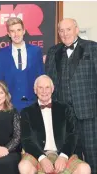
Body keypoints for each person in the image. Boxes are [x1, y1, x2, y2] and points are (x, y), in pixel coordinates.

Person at [45, 18, 97, 174]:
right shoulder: (53, 51)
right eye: (61, 30)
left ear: (76, 29)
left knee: (92, 155)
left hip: (88, 113)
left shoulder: (92, 48)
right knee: (69, 158)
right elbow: (49, 82)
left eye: (68, 29)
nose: (65, 33)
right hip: (64, 115)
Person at [19, 75, 91, 174]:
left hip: (62, 153)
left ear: (52, 89)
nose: (44, 91)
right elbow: (26, 139)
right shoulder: (26, 112)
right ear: (35, 90)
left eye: (47, 87)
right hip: (37, 154)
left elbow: (72, 135)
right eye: (40, 88)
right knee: (24, 166)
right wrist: (42, 158)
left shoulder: (65, 109)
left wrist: (63, 156)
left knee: (85, 168)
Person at [0, 17, 44, 112]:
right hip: (10, 106)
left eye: (18, 30)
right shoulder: (2, 53)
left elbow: (41, 77)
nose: (16, 34)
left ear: (24, 31)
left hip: (33, 104)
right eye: (12, 31)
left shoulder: (35, 51)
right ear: (8, 34)